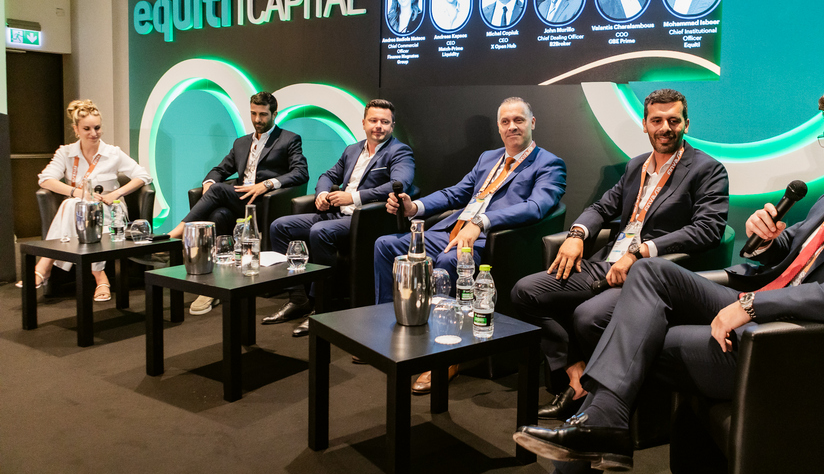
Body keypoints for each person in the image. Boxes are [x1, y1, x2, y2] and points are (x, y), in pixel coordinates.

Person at [487, 82, 824, 474]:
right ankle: (603, 424)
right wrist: (771, 238)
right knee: (650, 274)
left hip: (793, 348)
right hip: (764, 308)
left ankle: (571, 473)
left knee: (637, 340)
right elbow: (794, 252)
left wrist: (754, 305)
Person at [511, 89, 728, 420]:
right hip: (606, 264)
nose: (665, 128)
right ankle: (577, 376)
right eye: (657, 120)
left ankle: (603, 405)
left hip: (649, 275)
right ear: (645, 124)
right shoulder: (636, 166)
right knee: (526, 292)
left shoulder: (707, 169)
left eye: (673, 121)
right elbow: (601, 207)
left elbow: (708, 229)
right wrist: (576, 235)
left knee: (588, 317)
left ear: (687, 123)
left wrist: (641, 253)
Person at [377, 97, 566, 394]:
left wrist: (482, 221)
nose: (512, 127)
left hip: (492, 241)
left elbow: (536, 207)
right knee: (386, 246)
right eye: (505, 121)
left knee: (449, 263)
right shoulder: (488, 158)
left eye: (519, 120)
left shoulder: (549, 163)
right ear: (499, 127)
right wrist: (415, 207)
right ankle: (393, 331)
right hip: (452, 231)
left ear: (532, 123)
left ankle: (445, 356)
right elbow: (456, 193)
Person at [266, 99, 415, 336]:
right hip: (336, 213)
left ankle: (322, 307)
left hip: (365, 220)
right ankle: (298, 298)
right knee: (280, 226)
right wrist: (322, 194)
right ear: (364, 123)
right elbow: (328, 175)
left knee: (320, 231)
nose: (378, 126)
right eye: (373, 120)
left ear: (392, 125)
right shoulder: (352, 150)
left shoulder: (399, 151)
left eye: (384, 122)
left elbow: (399, 184)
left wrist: (353, 197)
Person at [166, 91, 308, 315]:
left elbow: (300, 172)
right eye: (253, 113)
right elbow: (220, 169)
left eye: (263, 114)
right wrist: (208, 183)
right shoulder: (241, 143)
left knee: (219, 191)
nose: (257, 119)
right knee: (218, 213)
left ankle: (177, 235)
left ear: (274, 114)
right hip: (239, 199)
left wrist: (266, 185)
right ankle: (217, 282)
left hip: (265, 202)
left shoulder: (289, 139)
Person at [25, 100, 152, 303]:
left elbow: (143, 176)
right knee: (74, 204)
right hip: (78, 210)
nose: (94, 133)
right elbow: (45, 179)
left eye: (97, 128)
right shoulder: (65, 153)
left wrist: (116, 193)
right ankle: (100, 277)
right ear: (76, 129)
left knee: (74, 206)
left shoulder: (112, 153)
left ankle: (44, 266)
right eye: (87, 129)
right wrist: (78, 192)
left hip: (110, 209)